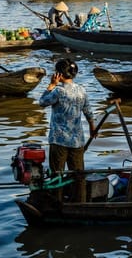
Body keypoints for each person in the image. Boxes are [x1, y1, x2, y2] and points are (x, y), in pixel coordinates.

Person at [38, 58, 95, 202]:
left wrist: (51, 85)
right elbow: (88, 111)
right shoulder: (81, 90)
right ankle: (80, 203)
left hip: (59, 140)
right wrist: (92, 127)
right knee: (78, 175)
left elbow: (42, 102)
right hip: (77, 140)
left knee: (57, 175)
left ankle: (57, 203)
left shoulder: (58, 91)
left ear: (59, 74)